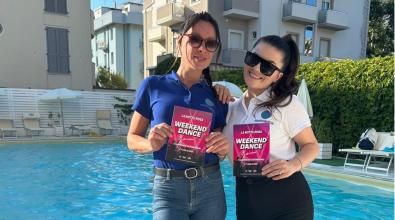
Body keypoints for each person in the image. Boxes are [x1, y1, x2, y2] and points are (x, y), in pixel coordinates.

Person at [127, 12, 231, 220]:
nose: (202, 48)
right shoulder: (153, 85)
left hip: (210, 186)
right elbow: (132, 139)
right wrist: (150, 144)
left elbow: (219, 147)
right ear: (179, 41)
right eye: (195, 39)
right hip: (168, 189)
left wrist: (222, 148)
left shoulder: (217, 96)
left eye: (210, 43)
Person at [223, 35, 320, 220]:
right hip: (247, 201)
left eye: (267, 66)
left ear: (278, 75)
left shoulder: (287, 104)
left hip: (288, 203)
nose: (256, 68)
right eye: (253, 59)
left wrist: (294, 165)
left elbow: (311, 145)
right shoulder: (230, 108)